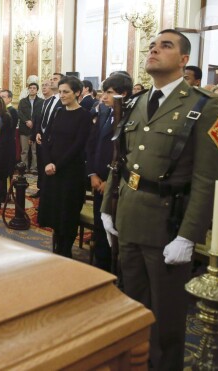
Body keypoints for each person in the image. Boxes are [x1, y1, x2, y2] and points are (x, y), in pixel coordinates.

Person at [100, 29, 218, 370]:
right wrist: (108, 207)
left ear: (184, 59)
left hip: (167, 225)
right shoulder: (139, 102)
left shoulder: (205, 105)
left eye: (165, 46)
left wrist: (188, 235)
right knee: (131, 305)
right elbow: (120, 159)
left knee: (167, 317)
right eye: (152, 45)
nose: (154, 49)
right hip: (129, 216)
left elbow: (206, 178)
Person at [37, 76, 91, 258]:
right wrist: (47, 162)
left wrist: (56, 165)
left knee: (67, 213)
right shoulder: (58, 111)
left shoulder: (84, 115)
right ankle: (56, 247)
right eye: (60, 92)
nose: (61, 95)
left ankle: (65, 250)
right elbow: (47, 138)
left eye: (66, 92)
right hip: (52, 170)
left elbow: (78, 145)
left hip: (70, 171)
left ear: (77, 93)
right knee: (54, 210)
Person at [85, 73, 132, 272]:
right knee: (100, 225)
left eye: (109, 93)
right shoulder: (103, 112)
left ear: (124, 94)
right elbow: (91, 144)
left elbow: (127, 154)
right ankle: (101, 268)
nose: (103, 97)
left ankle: (116, 271)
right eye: (103, 92)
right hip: (98, 180)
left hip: (117, 185)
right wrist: (92, 174)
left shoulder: (130, 116)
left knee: (116, 229)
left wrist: (111, 182)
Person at [17, 82, 43, 173]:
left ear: (37, 90)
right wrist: (26, 121)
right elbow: (19, 112)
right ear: (28, 90)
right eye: (30, 88)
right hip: (24, 128)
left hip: (35, 129)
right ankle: (24, 167)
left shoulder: (41, 102)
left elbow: (41, 114)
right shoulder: (23, 101)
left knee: (34, 151)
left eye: (34, 88)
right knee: (24, 150)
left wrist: (33, 122)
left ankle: (34, 168)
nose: (32, 89)